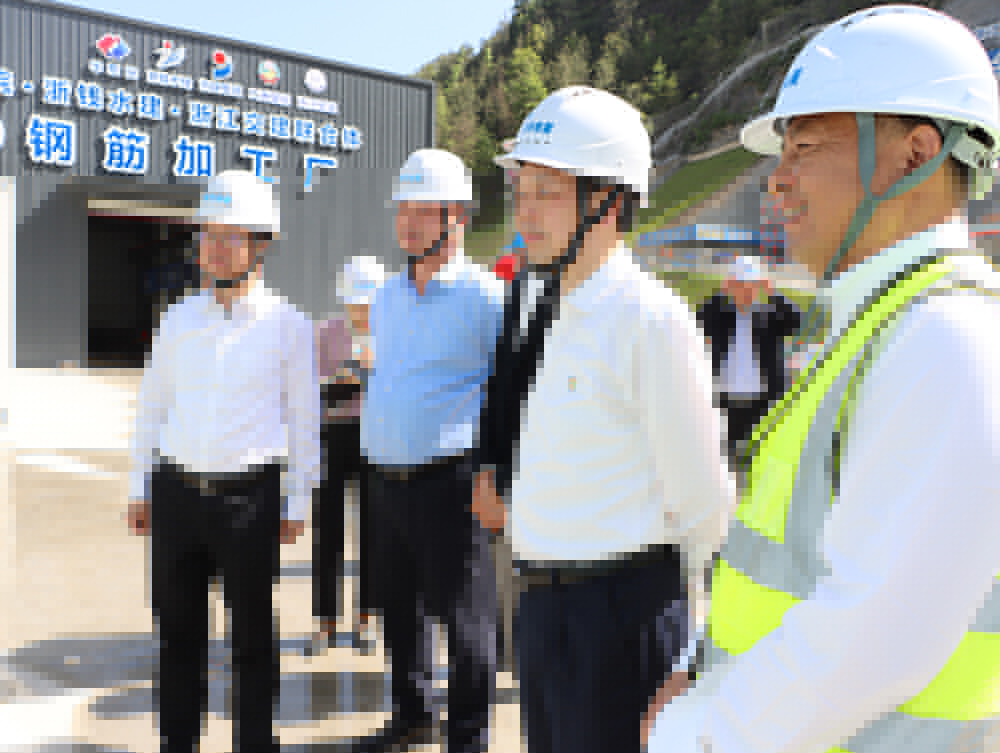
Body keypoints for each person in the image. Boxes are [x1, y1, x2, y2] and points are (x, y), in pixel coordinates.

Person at [646, 6, 1000, 753]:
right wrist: (701, 666)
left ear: (915, 155)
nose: (777, 182)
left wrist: (696, 731)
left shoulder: (947, 337)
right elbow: (791, 567)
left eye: (803, 147)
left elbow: (876, 631)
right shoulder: (881, 323)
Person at [472, 85, 735, 753]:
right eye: (521, 189)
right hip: (543, 609)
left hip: (622, 620)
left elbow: (706, 506)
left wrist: (694, 658)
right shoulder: (542, 308)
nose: (525, 212)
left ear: (608, 202)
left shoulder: (650, 320)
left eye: (548, 192)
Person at [126, 170, 320, 753]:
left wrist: (298, 497)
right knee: (177, 634)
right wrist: (139, 486)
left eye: (230, 235)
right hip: (177, 494)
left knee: (252, 637)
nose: (214, 247)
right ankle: (177, 742)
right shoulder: (179, 317)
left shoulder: (287, 325)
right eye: (208, 234)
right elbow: (152, 405)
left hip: (248, 500)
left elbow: (304, 420)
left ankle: (254, 742)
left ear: (262, 243)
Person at [356, 148, 505, 753]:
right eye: (403, 211)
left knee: (466, 622)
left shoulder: (486, 297)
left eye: (423, 211)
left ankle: (468, 738)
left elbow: (507, 394)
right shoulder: (387, 296)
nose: (408, 224)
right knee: (399, 610)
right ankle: (413, 715)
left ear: (457, 217)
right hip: (385, 479)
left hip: (451, 482)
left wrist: (493, 476)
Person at [310, 255, 385, 656]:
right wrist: (339, 378)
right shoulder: (326, 332)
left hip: (374, 436)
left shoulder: (391, 330)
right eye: (355, 302)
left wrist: (371, 372)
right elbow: (310, 387)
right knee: (328, 529)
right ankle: (325, 620)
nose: (361, 310)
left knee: (372, 528)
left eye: (366, 302)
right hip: (333, 433)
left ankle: (366, 618)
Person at [696, 255, 801, 472]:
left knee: (763, 459)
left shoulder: (770, 315)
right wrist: (721, 293)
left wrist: (774, 294)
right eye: (741, 285)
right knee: (722, 461)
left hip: (764, 402)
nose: (747, 291)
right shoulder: (720, 315)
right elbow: (697, 321)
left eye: (752, 286)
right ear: (732, 286)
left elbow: (798, 321)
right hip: (725, 402)